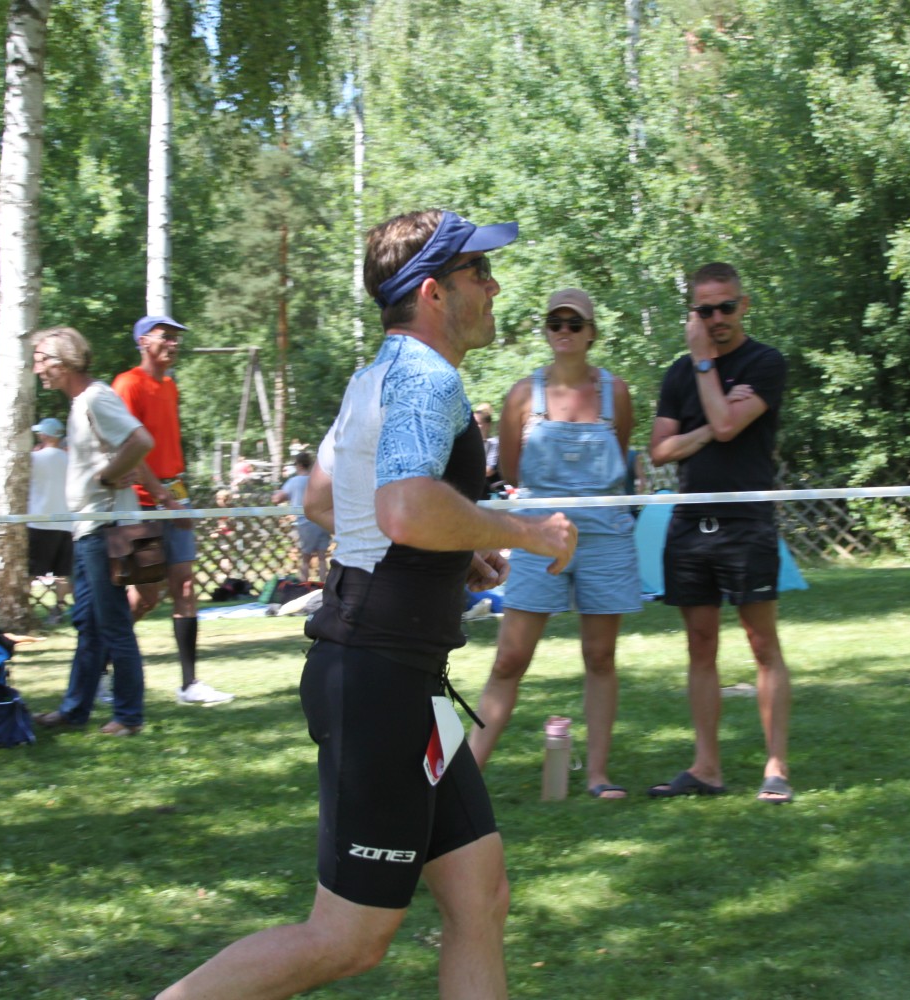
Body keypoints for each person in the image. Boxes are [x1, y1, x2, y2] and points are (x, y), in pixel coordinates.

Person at [156, 209, 577, 1000]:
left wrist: (458, 547)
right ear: (432, 293)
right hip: (380, 684)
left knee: (480, 895)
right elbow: (405, 509)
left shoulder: (375, 376)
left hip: (408, 684)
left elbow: (325, 499)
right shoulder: (426, 378)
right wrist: (526, 532)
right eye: (479, 273)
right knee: (348, 939)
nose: (493, 287)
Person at [467, 288, 639, 799]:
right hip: (538, 536)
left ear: (591, 333)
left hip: (606, 538)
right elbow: (512, 470)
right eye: (555, 323)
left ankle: (598, 775)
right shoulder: (523, 394)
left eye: (574, 323)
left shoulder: (616, 392)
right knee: (510, 658)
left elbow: (621, 455)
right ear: (546, 331)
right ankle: (465, 780)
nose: (564, 331)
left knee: (600, 656)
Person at [647, 262, 794, 804]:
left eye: (726, 307)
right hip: (690, 523)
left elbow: (731, 427)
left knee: (762, 643)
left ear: (743, 305)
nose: (717, 318)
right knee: (700, 645)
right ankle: (706, 768)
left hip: (746, 520)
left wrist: (706, 367)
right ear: (693, 312)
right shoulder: (678, 374)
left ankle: (776, 769)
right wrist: (710, 427)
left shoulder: (765, 363)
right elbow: (660, 450)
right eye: (705, 310)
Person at [31, 327, 155, 736]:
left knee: (113, 623)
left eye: (41, 359)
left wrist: (107, 476)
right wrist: (111, 471)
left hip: (108, 527)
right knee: (88, 622)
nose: (37, 368)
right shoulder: (81, 402)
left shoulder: (96, 398)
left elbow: (140, 440)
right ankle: (74, 710)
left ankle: (129, 716)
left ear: (63, 362)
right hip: (90, 527)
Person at [112, 315, 233, 706]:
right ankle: (97, 665)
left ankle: (189, 684)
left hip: (173, 495)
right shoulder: (127, 384)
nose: (174, 344)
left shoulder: (169, 386)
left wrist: (176, 494)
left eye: (177, 338)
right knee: (146, 596)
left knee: (184, 586)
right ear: (143, 341)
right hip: (140, 503)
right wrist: (163, 498)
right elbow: (129, 450)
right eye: (166, 336)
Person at [27, 416, 73, 624]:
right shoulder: (69, 460)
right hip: (65, 522)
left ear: (45, 435)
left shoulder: (33, 459)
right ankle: (59, 607)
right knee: (62, 572)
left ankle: (25, 607)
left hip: (39, 520)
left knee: (30, 571)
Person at [272, 451, 329, 584]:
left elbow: (277, 499)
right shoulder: (318, 479)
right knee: (322, 558)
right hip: (322, 522)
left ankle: (303, 587)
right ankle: (324, 586)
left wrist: (276, 494)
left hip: (305, 523)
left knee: (305, 559)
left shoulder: (294, 481)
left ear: (299, 465)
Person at [473, 402, 501, 497]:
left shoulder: (494, 443)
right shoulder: (472, 444)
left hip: (491, 491)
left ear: (487, 425)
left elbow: (489, 471)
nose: (474, 427)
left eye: (477, 423)